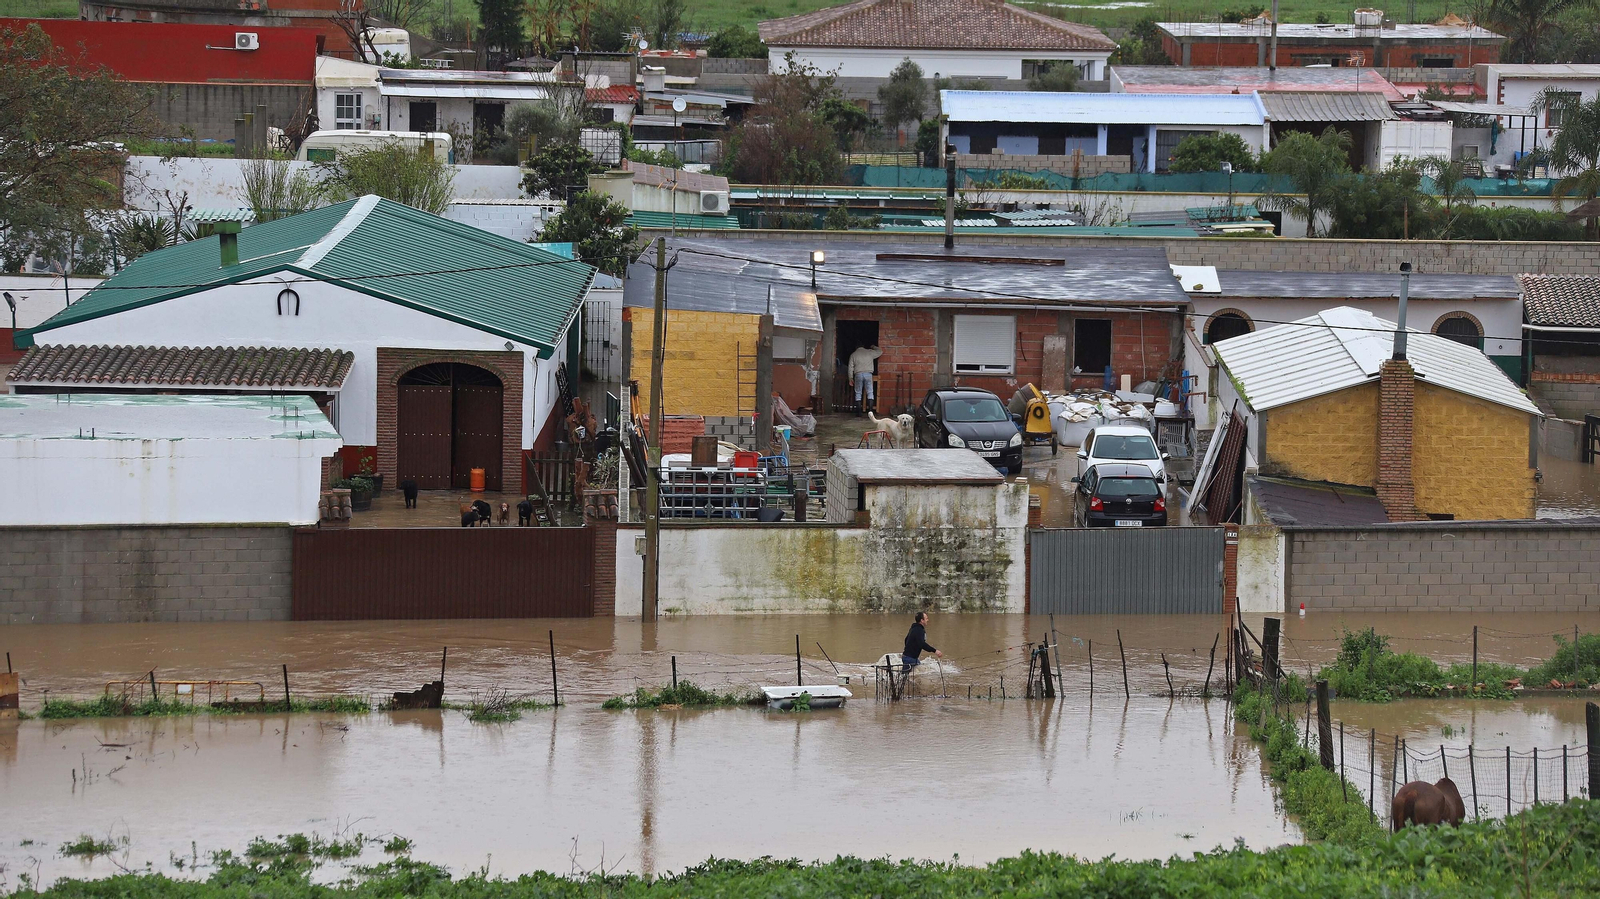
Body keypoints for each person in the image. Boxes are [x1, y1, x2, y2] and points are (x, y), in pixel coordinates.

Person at [848, 344, 882, 413]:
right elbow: (880, 351)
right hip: (868, 374)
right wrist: (873, 346)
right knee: (870, 392)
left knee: (858, 392)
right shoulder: (869, 352)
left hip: (858, 374)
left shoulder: (853, 355)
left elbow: (850, 368)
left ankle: (858, 412)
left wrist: (850, 378)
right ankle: (870, 411)